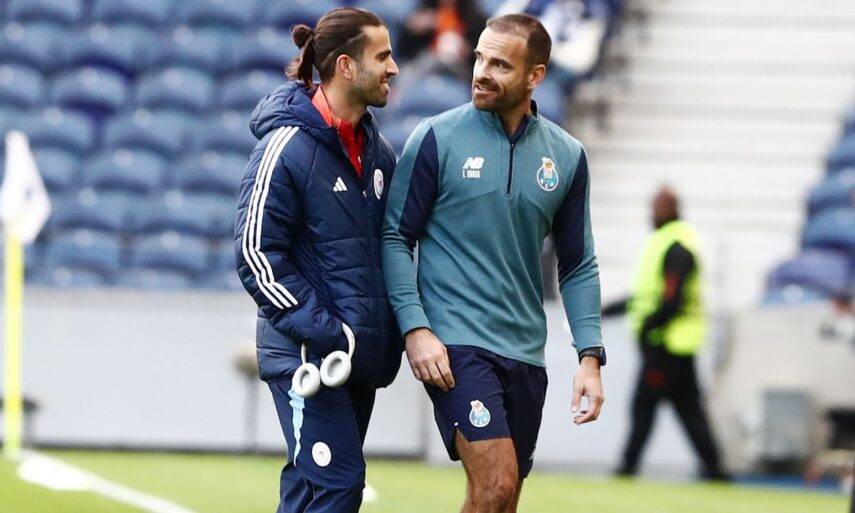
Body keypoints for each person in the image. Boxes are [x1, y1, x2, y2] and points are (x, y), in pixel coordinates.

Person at [382, 14, 605, 513]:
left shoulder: (567, 157)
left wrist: (589, 357)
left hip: (526, 353)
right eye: (480, 57)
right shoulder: (436, 137)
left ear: (535, 76)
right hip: (456, 344)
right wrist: (415, 328)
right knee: (497, 483)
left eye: (500, 64)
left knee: (501, 502)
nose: (481, 71)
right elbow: (395, 237)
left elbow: (578, 264)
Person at [234, 8, 401, 513]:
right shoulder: (284, 147)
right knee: (338, 487)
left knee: (310, 490)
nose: (393, 68)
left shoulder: (379, 153)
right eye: (382, 56)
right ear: (346, 66)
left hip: (354, 362)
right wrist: (330, 332)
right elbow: (255, 253)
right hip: (308, 356)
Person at [602, 186, 729, 480]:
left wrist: (649, 329)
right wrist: (611, 309)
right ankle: (714, 468)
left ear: (671, 209)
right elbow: (647, 296)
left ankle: (628, 466)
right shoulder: (666, 243)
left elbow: (671, 299)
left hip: (665, 346)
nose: (652, 213)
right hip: (674, 346)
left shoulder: (676, 247)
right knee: (689, 411)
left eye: (657, 207)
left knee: (644, 406)